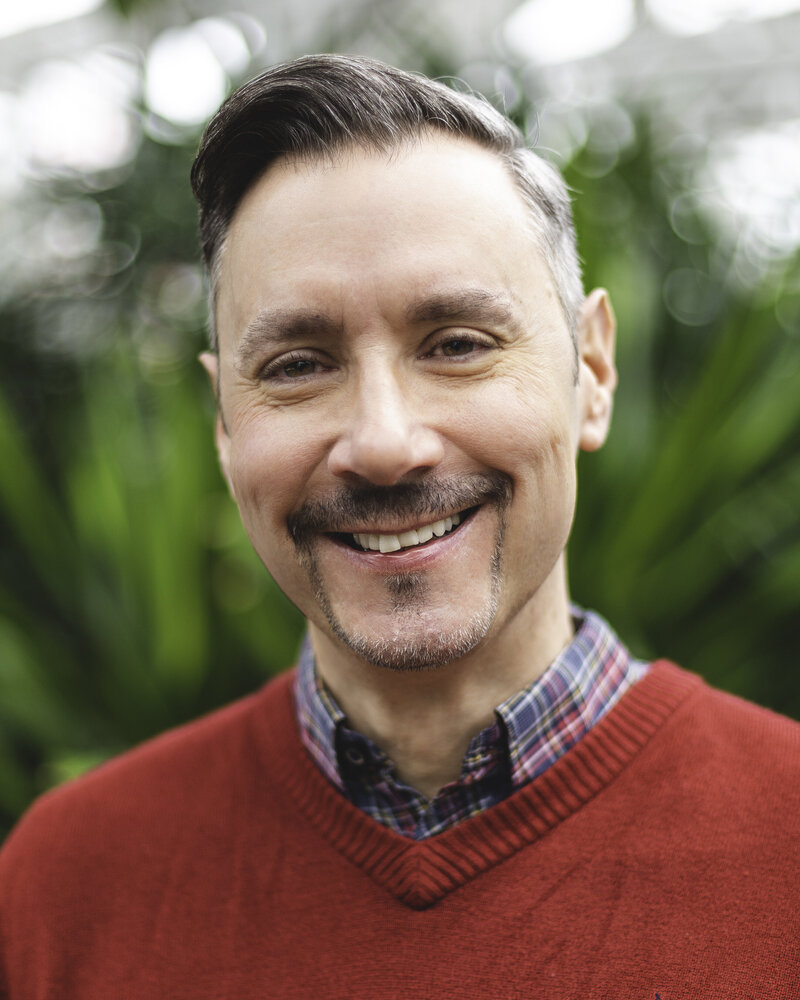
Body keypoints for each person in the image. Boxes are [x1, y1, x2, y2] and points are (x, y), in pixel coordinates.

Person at [0, 54, 798, 999]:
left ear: (591, 373)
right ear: (224, 425)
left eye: (457, 345)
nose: (383, 444)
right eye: (298, 364)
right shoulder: (66, 883)